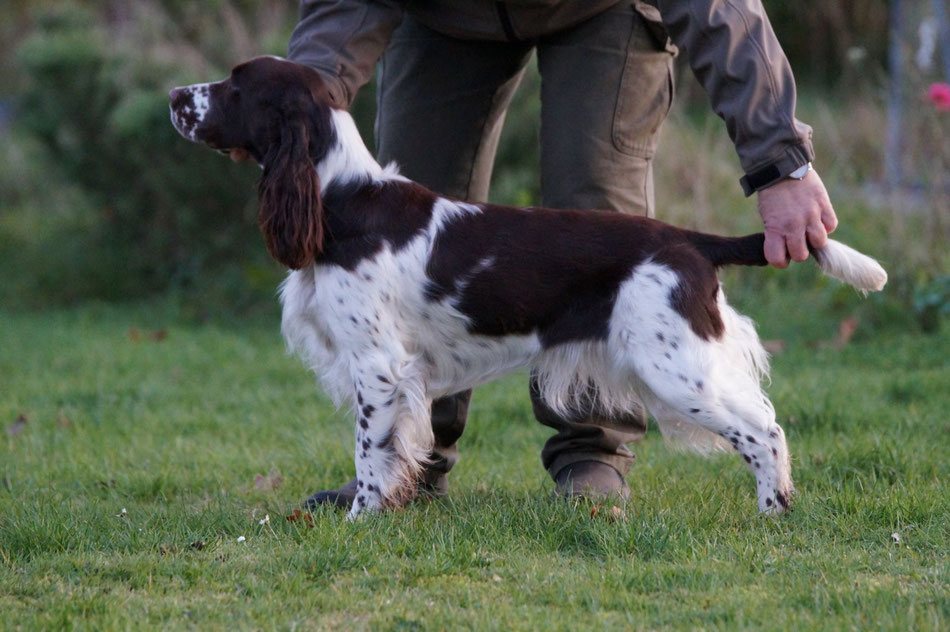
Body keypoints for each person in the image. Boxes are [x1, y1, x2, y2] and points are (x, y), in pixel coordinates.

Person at [231, 0, 838, 507]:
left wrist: (778, 158)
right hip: (445, 13)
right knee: (398, 228)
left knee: (599, 211)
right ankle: (406, 471)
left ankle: (591, 457)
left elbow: (719, 6)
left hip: (601, 8)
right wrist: (297, 101)